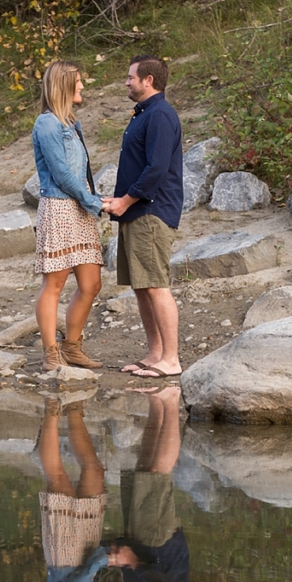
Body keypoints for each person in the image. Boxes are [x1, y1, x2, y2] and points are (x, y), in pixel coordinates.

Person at [102, 55, 183, 379]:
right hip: (136, 210)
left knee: (155, 284)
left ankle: (171, 359)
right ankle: (155, 354)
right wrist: (121, 202)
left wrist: (126, 200)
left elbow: (157, 169)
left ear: (148, 80)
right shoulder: (145, 113)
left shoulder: (161, 115)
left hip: (151, 211)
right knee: (141, 285)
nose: (127, 82)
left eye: (131, 77)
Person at [107, 387, 190, 582]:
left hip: (147, 547)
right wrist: (134, 563)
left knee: (144, 470)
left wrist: (123, 560)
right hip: (158, 548)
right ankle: (170, 402)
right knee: (157, 474)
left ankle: (159, 402)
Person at [32, 60, 104, 372]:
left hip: (81, 208)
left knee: (91, 284)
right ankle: (51, 352)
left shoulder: (71, 123)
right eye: (78, 82)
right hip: (60, 208)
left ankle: (72, 347)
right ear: (63, 85)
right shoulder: (46, 124)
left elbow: (80, 171)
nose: (82, 87)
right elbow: (61, 174)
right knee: (55, 284)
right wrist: (93, 201)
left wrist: (94, 200)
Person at [37, 397, 108, 582]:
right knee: (94, 471)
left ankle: (52, 409)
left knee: (58, 477)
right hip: (86, 552)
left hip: (65, 557)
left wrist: (97, 563)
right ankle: (74, 408)